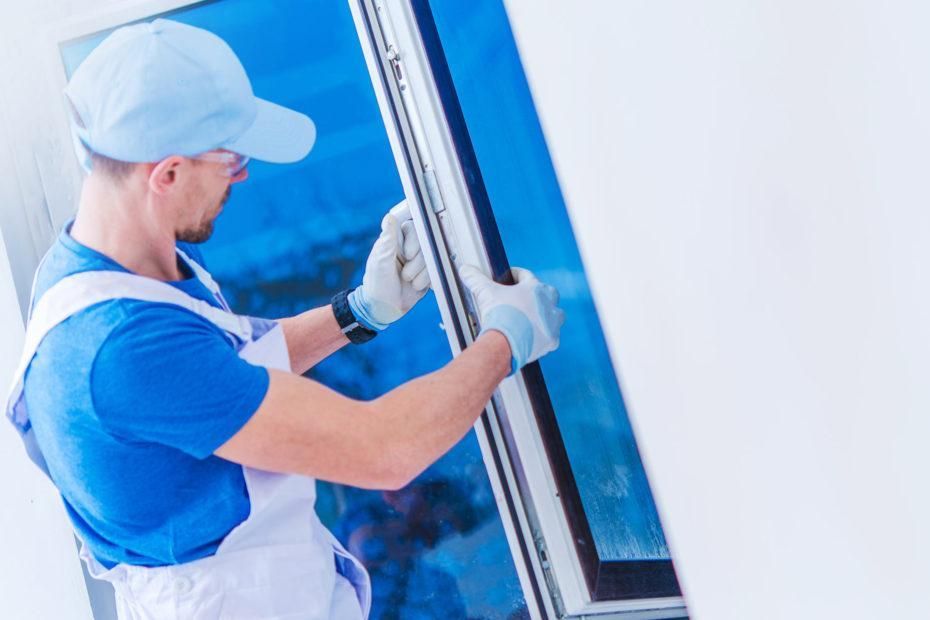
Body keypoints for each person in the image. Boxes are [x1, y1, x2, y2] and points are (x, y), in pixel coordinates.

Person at [4, 18, 564, 620]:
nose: (244, 175)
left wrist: (359, 312)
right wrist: (505, 339)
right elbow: (384, 450)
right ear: (165, 174)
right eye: (232, 158)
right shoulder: (117, 349)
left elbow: (220, 376)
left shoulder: (96, 271)